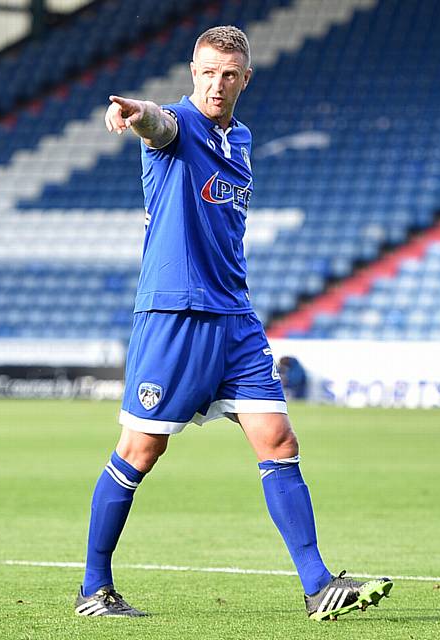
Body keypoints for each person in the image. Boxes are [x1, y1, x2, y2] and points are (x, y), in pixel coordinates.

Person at [74, 25, 393, 621]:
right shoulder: (176, 125)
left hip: (237, 319)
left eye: (229, 75)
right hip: (177, 315)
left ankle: (319, 584)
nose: (216, 84)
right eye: (206, 73)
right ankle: (94, 589)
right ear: (192, 74)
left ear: (246, 78)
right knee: (140, 451)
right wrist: (138, 112)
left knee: (280, 442)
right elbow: (158, 124)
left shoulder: (241, 137)